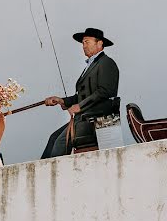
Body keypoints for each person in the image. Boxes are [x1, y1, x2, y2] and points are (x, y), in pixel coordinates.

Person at [41, 27, 120, 158]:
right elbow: (83, 95)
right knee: (53, 137)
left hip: (98, 118)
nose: (83, 46)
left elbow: (104, 91)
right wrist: (62, 100)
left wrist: (80, 106)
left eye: (87, 42)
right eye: (83, 43)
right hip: (85, 118)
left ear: (99, 43)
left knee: (59, 143)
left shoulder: (106, 63)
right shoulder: (92, 65)